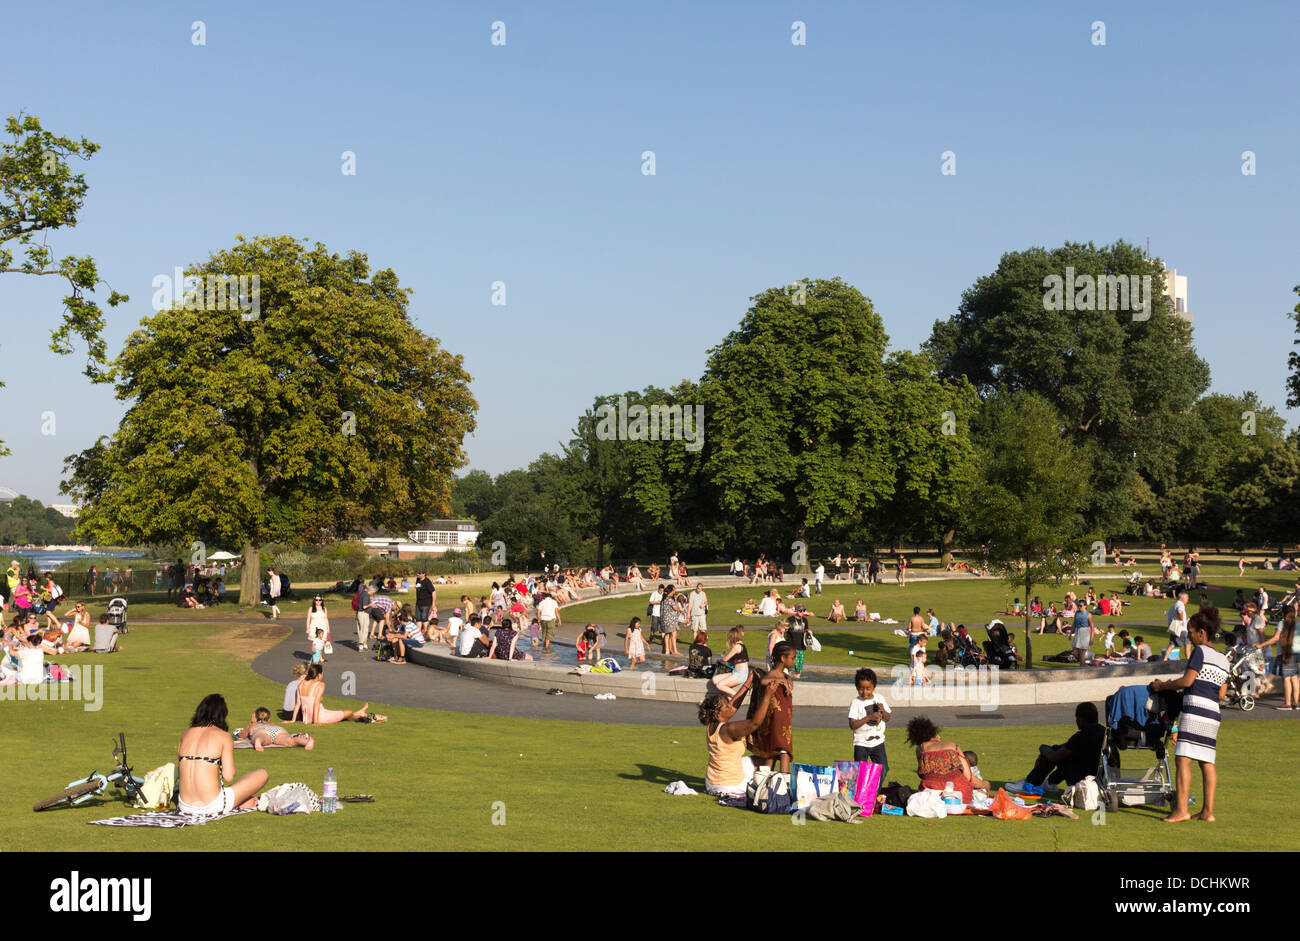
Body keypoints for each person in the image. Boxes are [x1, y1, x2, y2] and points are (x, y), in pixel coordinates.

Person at [1151, 607, 1229, 822]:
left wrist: (1163, 685)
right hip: (1213, 714)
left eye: (1191, 632)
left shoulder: (1199, 652)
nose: (1189, 636)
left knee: (1183, 759)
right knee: (1207, 762)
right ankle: (1207, 812)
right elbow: (1221, 694)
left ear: (1201, 633)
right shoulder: (1223, 659)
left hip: (1195, 710)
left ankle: (1181, 810)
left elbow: (1187, 681)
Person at [177, 694, 268, 816]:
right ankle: (240, 800)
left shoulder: (185, 734)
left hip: (184, 805)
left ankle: (241, 800)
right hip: (212, 805)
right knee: (262, 774)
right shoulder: (223, 736)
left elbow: (181, 771)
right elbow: (228, 776)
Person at [699, 670, 776, 798]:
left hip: (711, 783)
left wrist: (748, 682)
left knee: (757, 759)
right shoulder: (727, 729)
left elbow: (733, 706)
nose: (730, 706)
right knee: (770, 757)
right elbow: (754, 724)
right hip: (730, 786)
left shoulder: (712, 725)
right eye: (726, 706)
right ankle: (765, 791)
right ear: (718, 713)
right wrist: (767, 696)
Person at [1005, 702, 1105, 795]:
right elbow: (1066, 747)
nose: (1076, 721)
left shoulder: (1081, 736)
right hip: (1098, 777)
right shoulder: (1104, 732)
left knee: (1054, 754)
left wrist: (1042, 748)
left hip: (1082, 779)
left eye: (1077, 718)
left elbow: (1055, 757)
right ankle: (1051, 782)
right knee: (1060, 751)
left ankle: (1030, 783)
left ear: (1082, 719)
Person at [746, 643, 796, 773]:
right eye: (792, 658)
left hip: (784, 719)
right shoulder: (774, 673)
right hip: (776, 719)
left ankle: (766, 779)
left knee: (772, 752)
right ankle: (784, 781)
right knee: (784, 751)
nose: (794, 661)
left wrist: (786, 679)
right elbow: (763, 681)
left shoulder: (783, 675)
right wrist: (780, 681)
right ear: (783, 658)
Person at [907, 716, 976, 802]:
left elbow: (922, 774)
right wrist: (986, 784)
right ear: (934, 733)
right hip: (959, 795)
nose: (939, 737)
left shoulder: (920, 749)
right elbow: (969, 777)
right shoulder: (952, 746)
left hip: (931, 795)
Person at [292, 664, 381, 724]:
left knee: (346, 714)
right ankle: (359, 715)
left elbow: (298, 704)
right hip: (320, 716)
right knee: (349, 712)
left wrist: (293, 720)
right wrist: (315, 721)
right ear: (319, 674)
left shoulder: (301, 684)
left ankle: (359, 713)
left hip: (306, 718)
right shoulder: (320, 685)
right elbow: (316, 704)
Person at [848, 668, 890, 778]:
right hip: (861, 743)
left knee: (883, 769)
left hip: (878, 742)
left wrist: (883, 711)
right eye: (861, 688)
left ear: (874, 687)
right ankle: (862, 789)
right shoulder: (856, 703)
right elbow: (852, 725)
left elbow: (887, 718)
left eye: (868, 689)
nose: (864, 692)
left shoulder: (879, 698)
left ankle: (875, 789)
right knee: (861, 773)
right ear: (856, 687)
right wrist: (869, 717)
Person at [1256, 603, 1298, 709]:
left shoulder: (1282, 623)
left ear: (1284, 614)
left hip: (1286, 653)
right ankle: (1295, 703)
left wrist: (1261, 645)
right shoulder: (1298, 624)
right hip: (1298, 654)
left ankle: (1287, 703)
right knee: (1294, 678)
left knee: (1287, 678)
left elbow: (1275, 638)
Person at [235, 707, 314, 750]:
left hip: (261, 730)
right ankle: (306, 742)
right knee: (290, 740)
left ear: (255, 717)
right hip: (278, 730)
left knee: (262, 737)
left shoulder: (253, 725)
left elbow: (243, 735)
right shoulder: (272, 724)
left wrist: (238, 733)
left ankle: (258, 741)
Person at [711, 626, 750, 696]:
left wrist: (719, 660)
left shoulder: (737, 646)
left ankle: (737, 697)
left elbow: (725, 659)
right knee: (715, 679)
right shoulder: (740, 645)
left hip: (741, 674)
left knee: (720, 685)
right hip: (736, 672)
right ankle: (730, 698)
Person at [1166, 591, 1191, 661]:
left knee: (1172, 645)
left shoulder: (1174, 605)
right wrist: (1182, 620)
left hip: (1174, 629)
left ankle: (1164, 659)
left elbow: (1169, 614)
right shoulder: (1181, 604)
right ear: (1183, 598)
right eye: (1187, 599)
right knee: (1188, 644)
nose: (1188, 600)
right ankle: (1188, 660)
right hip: (1181, 629)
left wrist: (1185, 620)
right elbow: (1180, 611)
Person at [354, 578, 372, 651]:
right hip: (363, 613)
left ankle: (364, 643)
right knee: (364, 629)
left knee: (361, 629)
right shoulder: (366, 595)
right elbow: (364, 606)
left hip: (359, 612)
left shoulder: (360, 594)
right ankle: (361, 644)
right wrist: (370, 604)